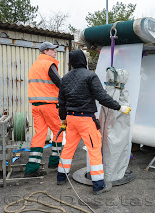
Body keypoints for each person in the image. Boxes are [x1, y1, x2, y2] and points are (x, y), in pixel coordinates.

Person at [57, 49, 131, 195]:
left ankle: (61, 177)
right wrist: (120, 107)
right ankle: (98, 185)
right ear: (83, 61)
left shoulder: (65, 78)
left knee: (68, 148)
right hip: (85, 120)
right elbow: (102, 97)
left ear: (71, 62)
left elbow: (61, 101)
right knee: (94, 150)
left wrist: (63, 119)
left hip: (71, 119)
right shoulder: (90, 76)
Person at [25, 41, 64, 177]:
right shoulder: (49, 64)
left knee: (40, 134)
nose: (55, 52)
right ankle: (54, 162)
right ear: (45, 51)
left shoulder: (34, 65)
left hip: (36, 106)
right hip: (49, 104)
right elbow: (59, 82)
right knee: (58, 131)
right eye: (52, 50)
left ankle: (32, 168)